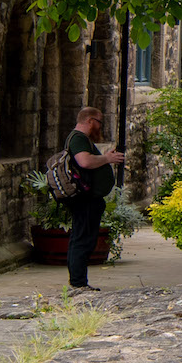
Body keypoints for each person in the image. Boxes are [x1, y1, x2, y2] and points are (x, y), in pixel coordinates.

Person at [60, 106, 126, 291]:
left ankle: (79, 281)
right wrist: (106, 159)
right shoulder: (79, 138)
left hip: (90, 199)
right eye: (99, 122)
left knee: (83, 238)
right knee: (82, 239)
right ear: (90, 121)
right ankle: (78, 283)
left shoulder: (80, 139)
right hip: (84, 198)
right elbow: (85, 161)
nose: (100, 126)